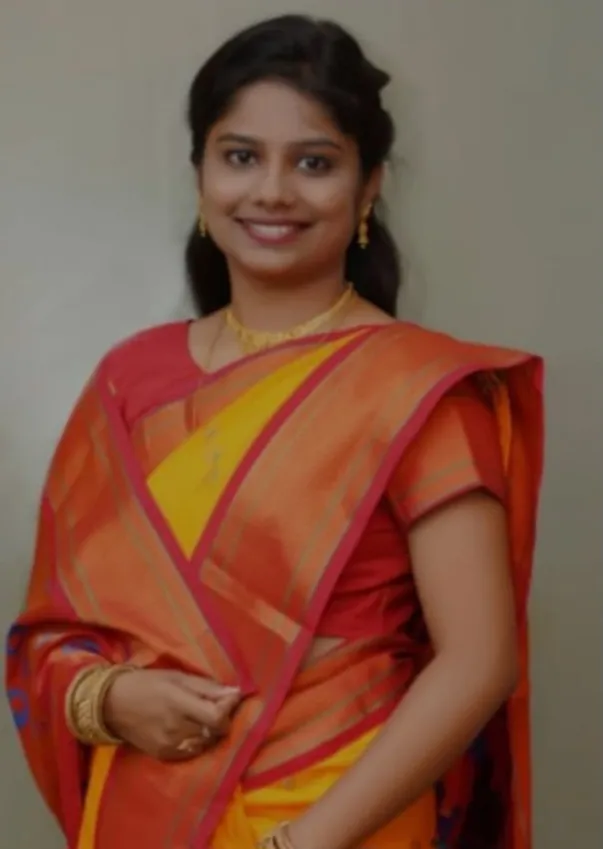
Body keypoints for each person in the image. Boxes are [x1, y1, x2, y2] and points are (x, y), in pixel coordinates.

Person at [6, 14, 544, 849]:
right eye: (240, 156)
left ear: (368, 186)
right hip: (144, 813)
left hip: (339, 816)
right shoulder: (129, 379)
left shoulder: (417, 391)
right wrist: (106, 698)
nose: (272, 191)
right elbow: (53, 628)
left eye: (314, 163)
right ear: (199, 173)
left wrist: (308, 840)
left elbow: (478, 661)